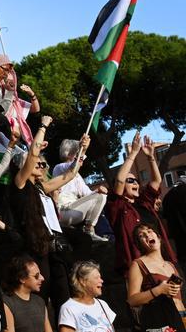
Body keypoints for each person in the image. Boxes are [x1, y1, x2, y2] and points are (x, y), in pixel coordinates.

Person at [11, 121, 89, 314]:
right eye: (38, 163)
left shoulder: (42, 188)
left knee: (64, 294)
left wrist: (83, 150)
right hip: (38, 246)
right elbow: (32, 155)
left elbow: (70, 174)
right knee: (41, 294)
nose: (42, 165)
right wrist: (43, 128)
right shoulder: (20, 186)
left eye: (44, 164)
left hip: (57, 246)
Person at [105, 132, 178, 276]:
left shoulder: (144, 203)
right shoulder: (117, 206)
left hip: (163, 260)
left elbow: (156, 182)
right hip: (139, 266)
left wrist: (151, 157)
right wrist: (132, 154)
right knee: (146, 298)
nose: (135, 183)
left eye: (136, 180)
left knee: (175, 295)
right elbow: (120, 181)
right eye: (130, 181)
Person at [125, 223, 185, 332]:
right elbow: (132, 300)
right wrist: (159, 290)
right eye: (141, 235)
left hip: (182, 316)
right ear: (139, 245)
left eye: (149, 231)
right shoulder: (138, 264)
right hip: (162, 320)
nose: (147, 235)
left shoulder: (170, 264)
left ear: (159, 237)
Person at [52, 138, 109, 242]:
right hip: (63, 210)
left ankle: (89, 230)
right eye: (77, 152)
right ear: (69, 154)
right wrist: (83, 151)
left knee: (101, 196)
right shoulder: (59, 167)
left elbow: (88, 194)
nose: (80, 156)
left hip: (75, 208)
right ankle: (88, 230)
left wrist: (98, 190)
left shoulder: (78, 176)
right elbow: (73, 167)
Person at [57, 261, 116, 332]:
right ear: (83, 281)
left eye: (100, 277)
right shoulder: (68, 308)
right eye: (97, 278)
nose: (102, 281)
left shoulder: (102, 304)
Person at [2, 255, 52, 332]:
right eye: (36, 276)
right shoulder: (7, 303)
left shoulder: (40, 301)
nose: (42, 278)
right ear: (22, 278)